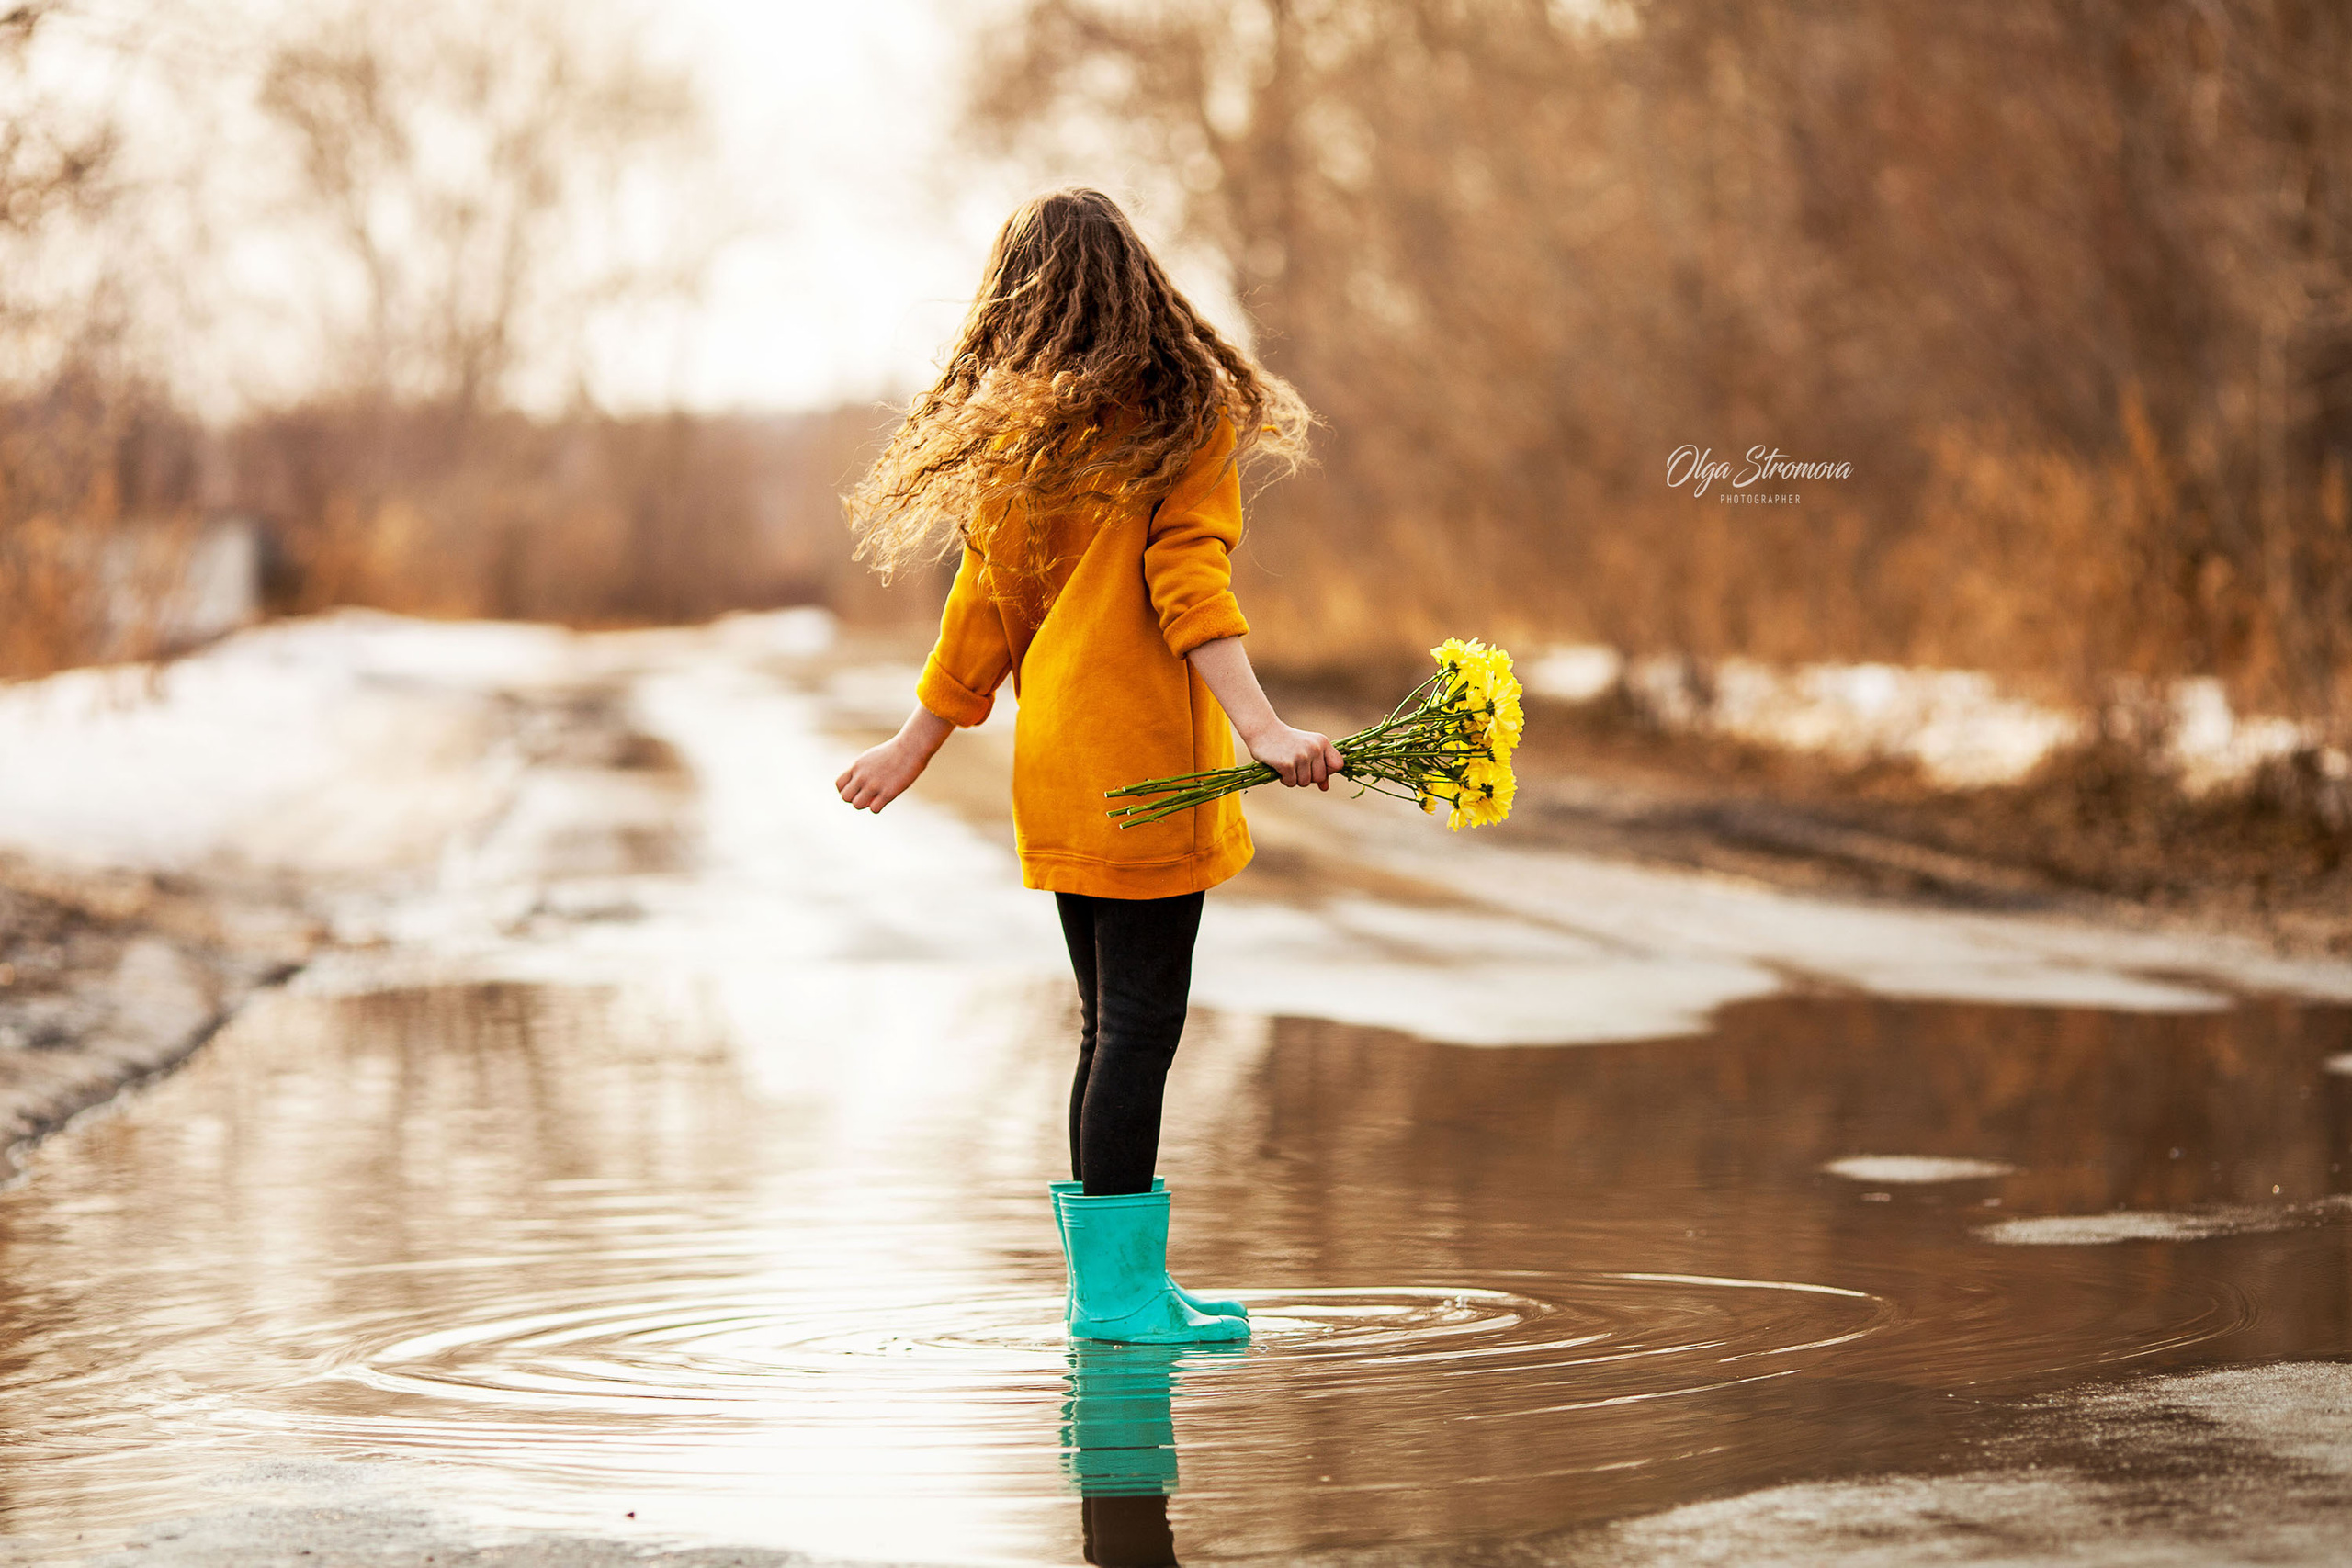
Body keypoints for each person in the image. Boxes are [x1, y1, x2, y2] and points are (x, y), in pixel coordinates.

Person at [834, 187, 1334, 1345]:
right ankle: (1115, 1299)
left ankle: (1113, 1290)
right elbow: (1189, 586)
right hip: (1147, 768)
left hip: (1059, 769)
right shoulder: (1183, 416)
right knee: (1138, 1033)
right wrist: (1262, 731)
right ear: (1142, 286)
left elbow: (984, 609)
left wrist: (915, 743)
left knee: (1105, 1028)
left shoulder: (1026, 437)